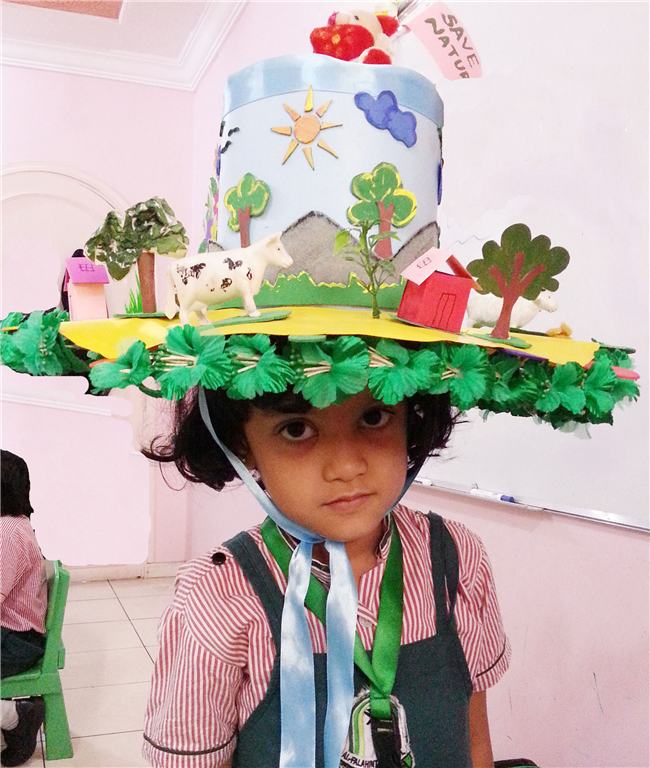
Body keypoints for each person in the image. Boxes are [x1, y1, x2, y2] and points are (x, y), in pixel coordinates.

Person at [142, 357, 511, 768]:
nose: (347, 467)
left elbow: (475, 743)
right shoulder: (216, 598)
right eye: (296, 429)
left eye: (374, 417)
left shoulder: (456, 559)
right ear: (241, 444)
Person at [0, 451, 47, 767]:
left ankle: (15, 715)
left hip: (16, 641)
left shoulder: (7, 533)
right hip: (16, 633)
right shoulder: (14, 524)